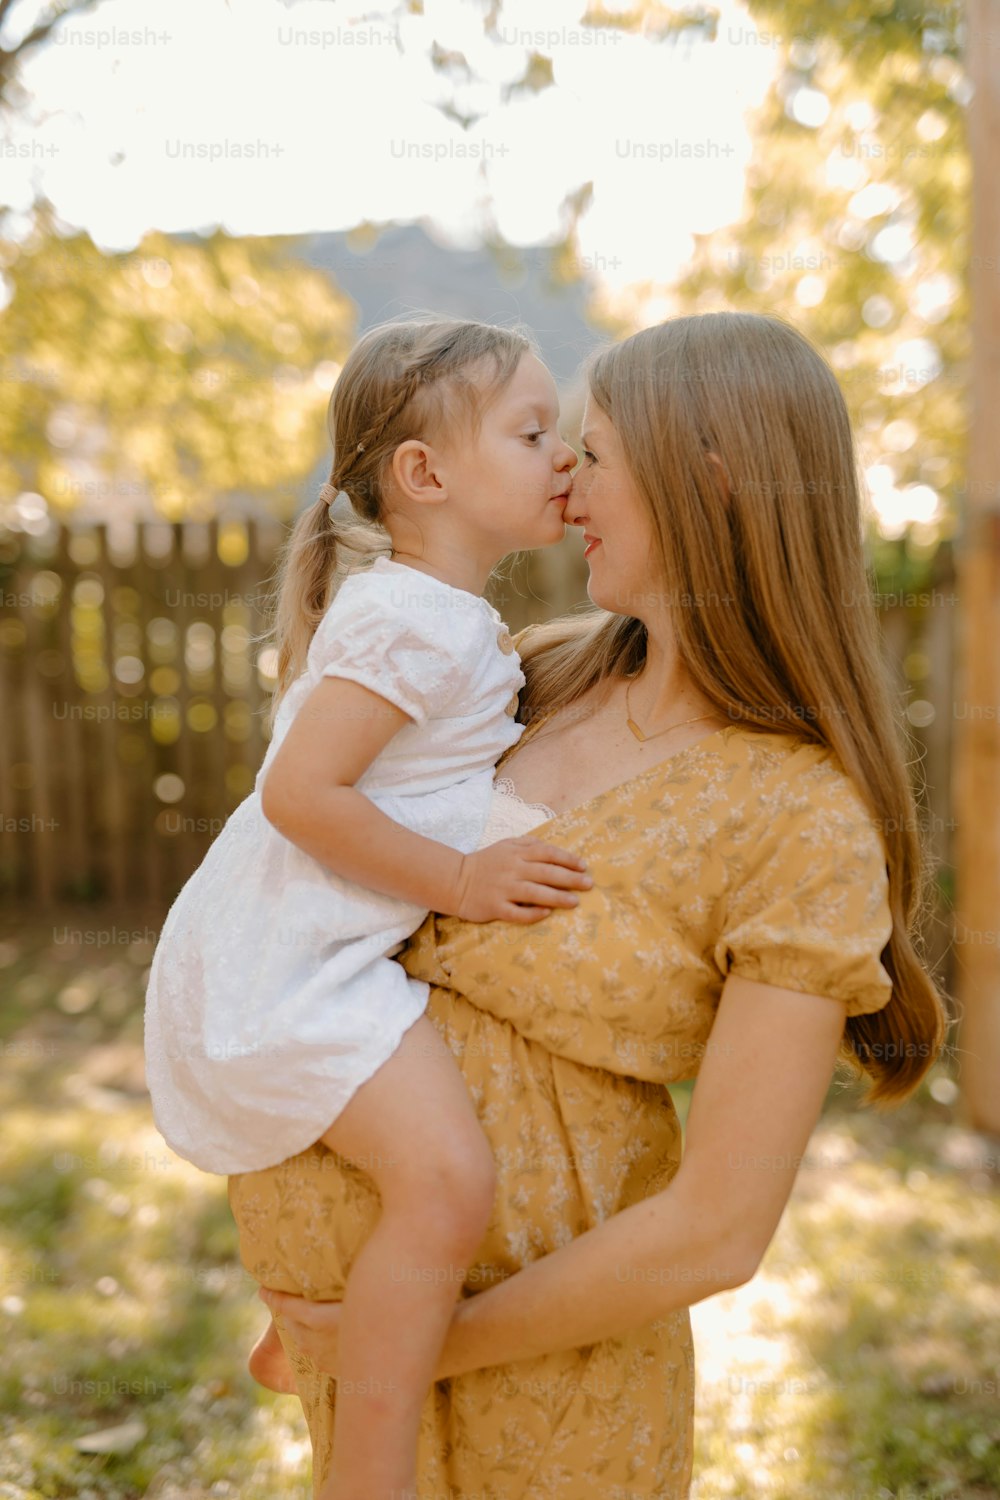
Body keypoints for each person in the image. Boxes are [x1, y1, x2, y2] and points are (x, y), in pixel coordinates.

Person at [230, 311, 949, 1499]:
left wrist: (406, 1344)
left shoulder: (801, 818)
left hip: (552, 1395)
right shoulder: (536, 673)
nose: (564, 488)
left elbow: (720, 1227)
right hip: (358, 1372)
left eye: (594, 453)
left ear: (706, 481)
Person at [143, 316, 589, 1500]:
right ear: (425, 475)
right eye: (535, 431)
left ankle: (308, 1339)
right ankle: (372, 1478)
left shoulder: (438, 613)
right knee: (447, 1185)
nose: (567, 453)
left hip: (303, 952)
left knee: (427, 1179)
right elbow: (297, 792)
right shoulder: (410, 618)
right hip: (283, 973)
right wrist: (459, 883)